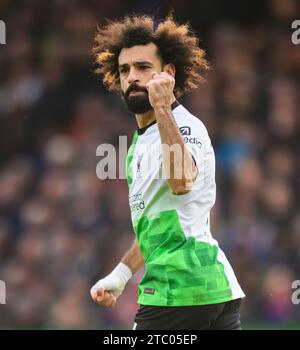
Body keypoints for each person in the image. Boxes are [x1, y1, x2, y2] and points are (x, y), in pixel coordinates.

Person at [90, 15, 245, 330]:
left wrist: (163, 106)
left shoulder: (186, 126)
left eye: (143, 68)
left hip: (179, 290)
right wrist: (120, 275)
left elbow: (182, 182)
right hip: (213, 289)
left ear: (168, 74)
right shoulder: (138, 142)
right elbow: (158, 228)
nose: (132, 76)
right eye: (124, 70)